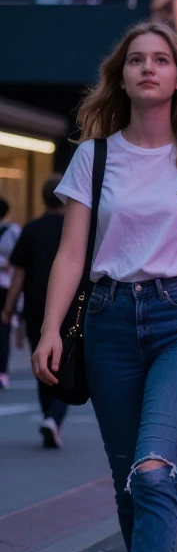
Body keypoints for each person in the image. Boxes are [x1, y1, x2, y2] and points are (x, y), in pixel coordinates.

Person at [31, 21, 177, 552]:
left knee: (155, 471)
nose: (148, 68)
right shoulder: (93, 158)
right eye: (136, 61)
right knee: (129, 477)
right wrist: (50, 329)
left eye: (161, 60)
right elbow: (72, 253)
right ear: (120, 77)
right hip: (108, 322)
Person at [3, 175, 68, 446]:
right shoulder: (75, 228)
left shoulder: (31, 229)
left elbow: (18, 274)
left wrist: (8, 308)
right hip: (68, 303)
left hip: (35, 304)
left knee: (41, 361)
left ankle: (47, 417)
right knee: (67, 364)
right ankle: (53, 418)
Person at [0, 195, 18, 389]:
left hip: (5, 285)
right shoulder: (13, 231)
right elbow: (16, 263)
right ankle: (2, 371)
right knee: (3, 331)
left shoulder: (12, 231)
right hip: (5, 286)